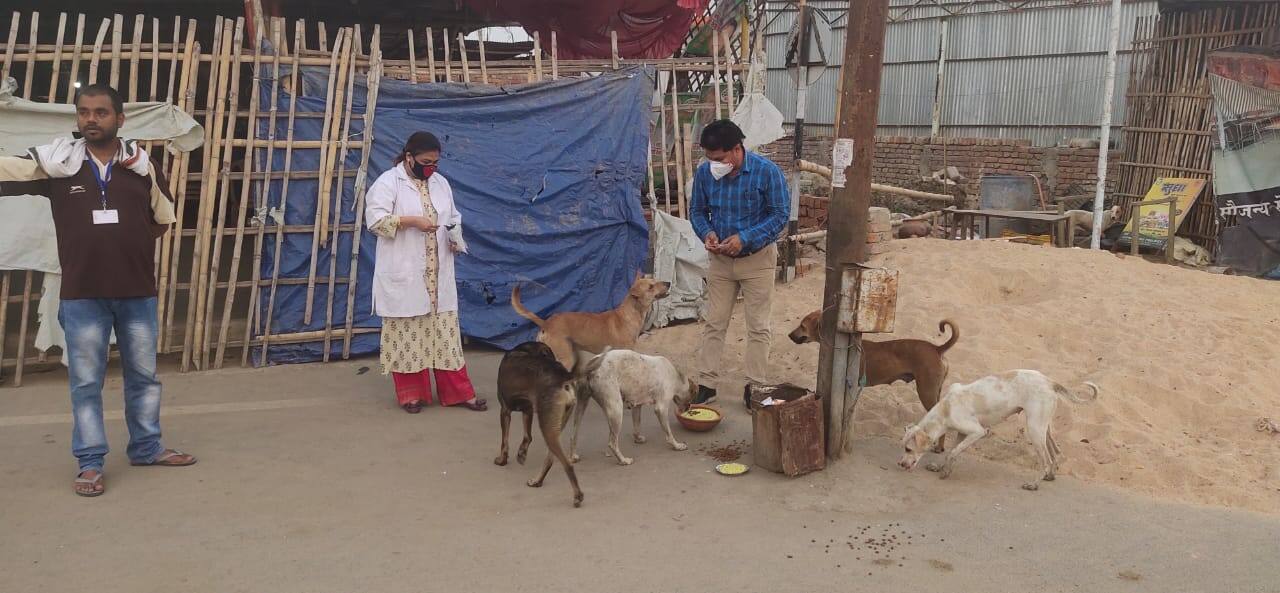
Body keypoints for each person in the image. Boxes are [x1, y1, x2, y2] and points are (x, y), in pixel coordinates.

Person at [0, 84, 195, 497]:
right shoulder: (57, 165)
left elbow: (163, 218)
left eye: (101, 112)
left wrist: (128, 246)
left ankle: (146, 447)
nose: (92, 119)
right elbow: (6, 169)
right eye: (85, 112)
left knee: (143, 377)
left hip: (136, 291)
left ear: (120, 119)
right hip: (82, 294)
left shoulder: (142, 166)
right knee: (86, 383)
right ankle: (89, 463)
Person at [365, 131, 486, 414]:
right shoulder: (388, 182)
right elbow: (376, 222)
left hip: (437, 275)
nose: (430, 167)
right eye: (425, 161)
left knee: (445, 336)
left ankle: (459, 393)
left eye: (435, 162)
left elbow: (453, 218)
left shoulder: (440, 183)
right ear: (409, 158)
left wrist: (456, 240)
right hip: (406, 274)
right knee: (408, 334)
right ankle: (412, 395)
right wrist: (410, 222)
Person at [687, 120, 789, 405]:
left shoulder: (767, 172)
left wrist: (745, 238)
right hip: (719, 261)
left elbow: (780, 216)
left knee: (758, 326)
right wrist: (706, 233)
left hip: (757, 260)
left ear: (736, 149)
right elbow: (696, 211)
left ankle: (755, 386)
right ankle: (707, 384)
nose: (713, 164)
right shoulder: (705, 174)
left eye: (718, 159)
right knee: (714, 322)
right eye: (709, 159)